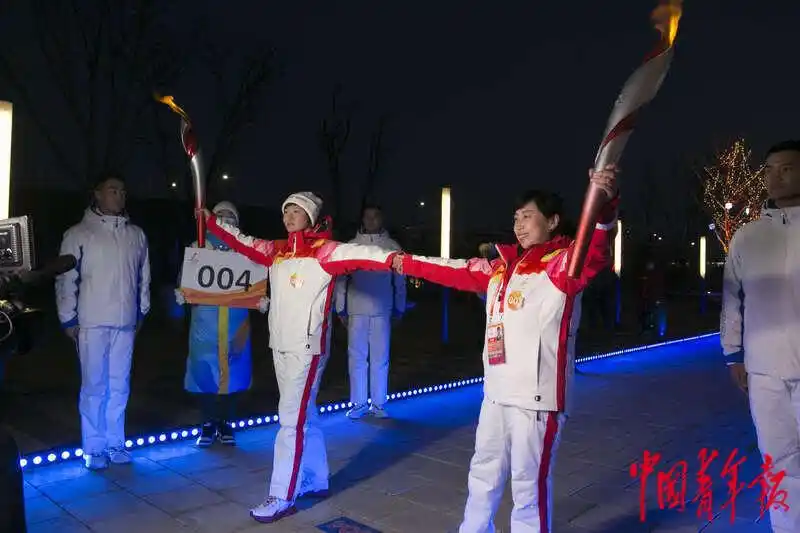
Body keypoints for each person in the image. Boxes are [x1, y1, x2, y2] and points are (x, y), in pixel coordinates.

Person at [393, 167, 619, 532]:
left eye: (528, 216)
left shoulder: (563, 265)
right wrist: (404, 263)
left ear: (552, 221)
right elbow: (452, 269)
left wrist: (604, 207)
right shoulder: (501, 268)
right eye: (516, 218)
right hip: (496, 392)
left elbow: (595, 249)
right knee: (483, 469)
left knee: (528, 483)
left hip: (536, 398)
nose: (519, 225)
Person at [197, 191, 398, 524]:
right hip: (280, 344)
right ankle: (316, 479)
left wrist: (399, 259)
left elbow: (370, 254)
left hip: (308, 348)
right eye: (285, 210)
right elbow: (242, 241)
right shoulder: (276, 251)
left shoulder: (327, 252)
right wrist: (213, 223)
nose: (288, 216)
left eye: (296, 211)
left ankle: (282, 495)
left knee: (290, 419)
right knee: (306, 414)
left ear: (311, 217)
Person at [722, 140, 800, 533]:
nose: (775, 177)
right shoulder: (747, 236)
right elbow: (731, 299)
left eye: (786, 168)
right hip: (764, 370)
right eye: (769, 169)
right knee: (779, 460)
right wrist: (733, 354)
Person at [55, 173, 150, 470]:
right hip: (92, 321)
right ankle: (94, 447)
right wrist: (68, 317)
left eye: (122, 191)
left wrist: (141, 311)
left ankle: (115, 442)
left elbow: (144, 276)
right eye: (112, 190)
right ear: (97, 194)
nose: (119, 196)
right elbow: (66, 278)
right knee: (94, 385)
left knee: (119, 385)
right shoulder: (79, 234)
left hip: (125, 323)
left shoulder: (136, 235)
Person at [175, 202, 269, 447]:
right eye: (220, 216)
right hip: (206, 324)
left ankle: (226, 422)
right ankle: (207, 424)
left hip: (236, 325)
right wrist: (183, 291)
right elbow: (185, 279)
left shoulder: (246, 250)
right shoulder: (200, 246)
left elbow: (257, 279)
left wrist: (260, 298)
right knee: (205, 375)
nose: (225, 220)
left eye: (231, 217)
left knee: (233, 376)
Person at [334, 204, 406, 419]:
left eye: (375, 217)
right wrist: (341, 308)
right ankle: (358, 404)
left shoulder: (392, 246)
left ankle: (378, 404)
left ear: (381, 219)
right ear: (362, 220)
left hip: (382, 309)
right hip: (356, 309)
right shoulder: (351, 247)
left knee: (380, 358)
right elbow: (341, 280)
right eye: (367, 217)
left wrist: (399, 307)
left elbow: (400, 281)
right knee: (356, 358)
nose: (371, 220)